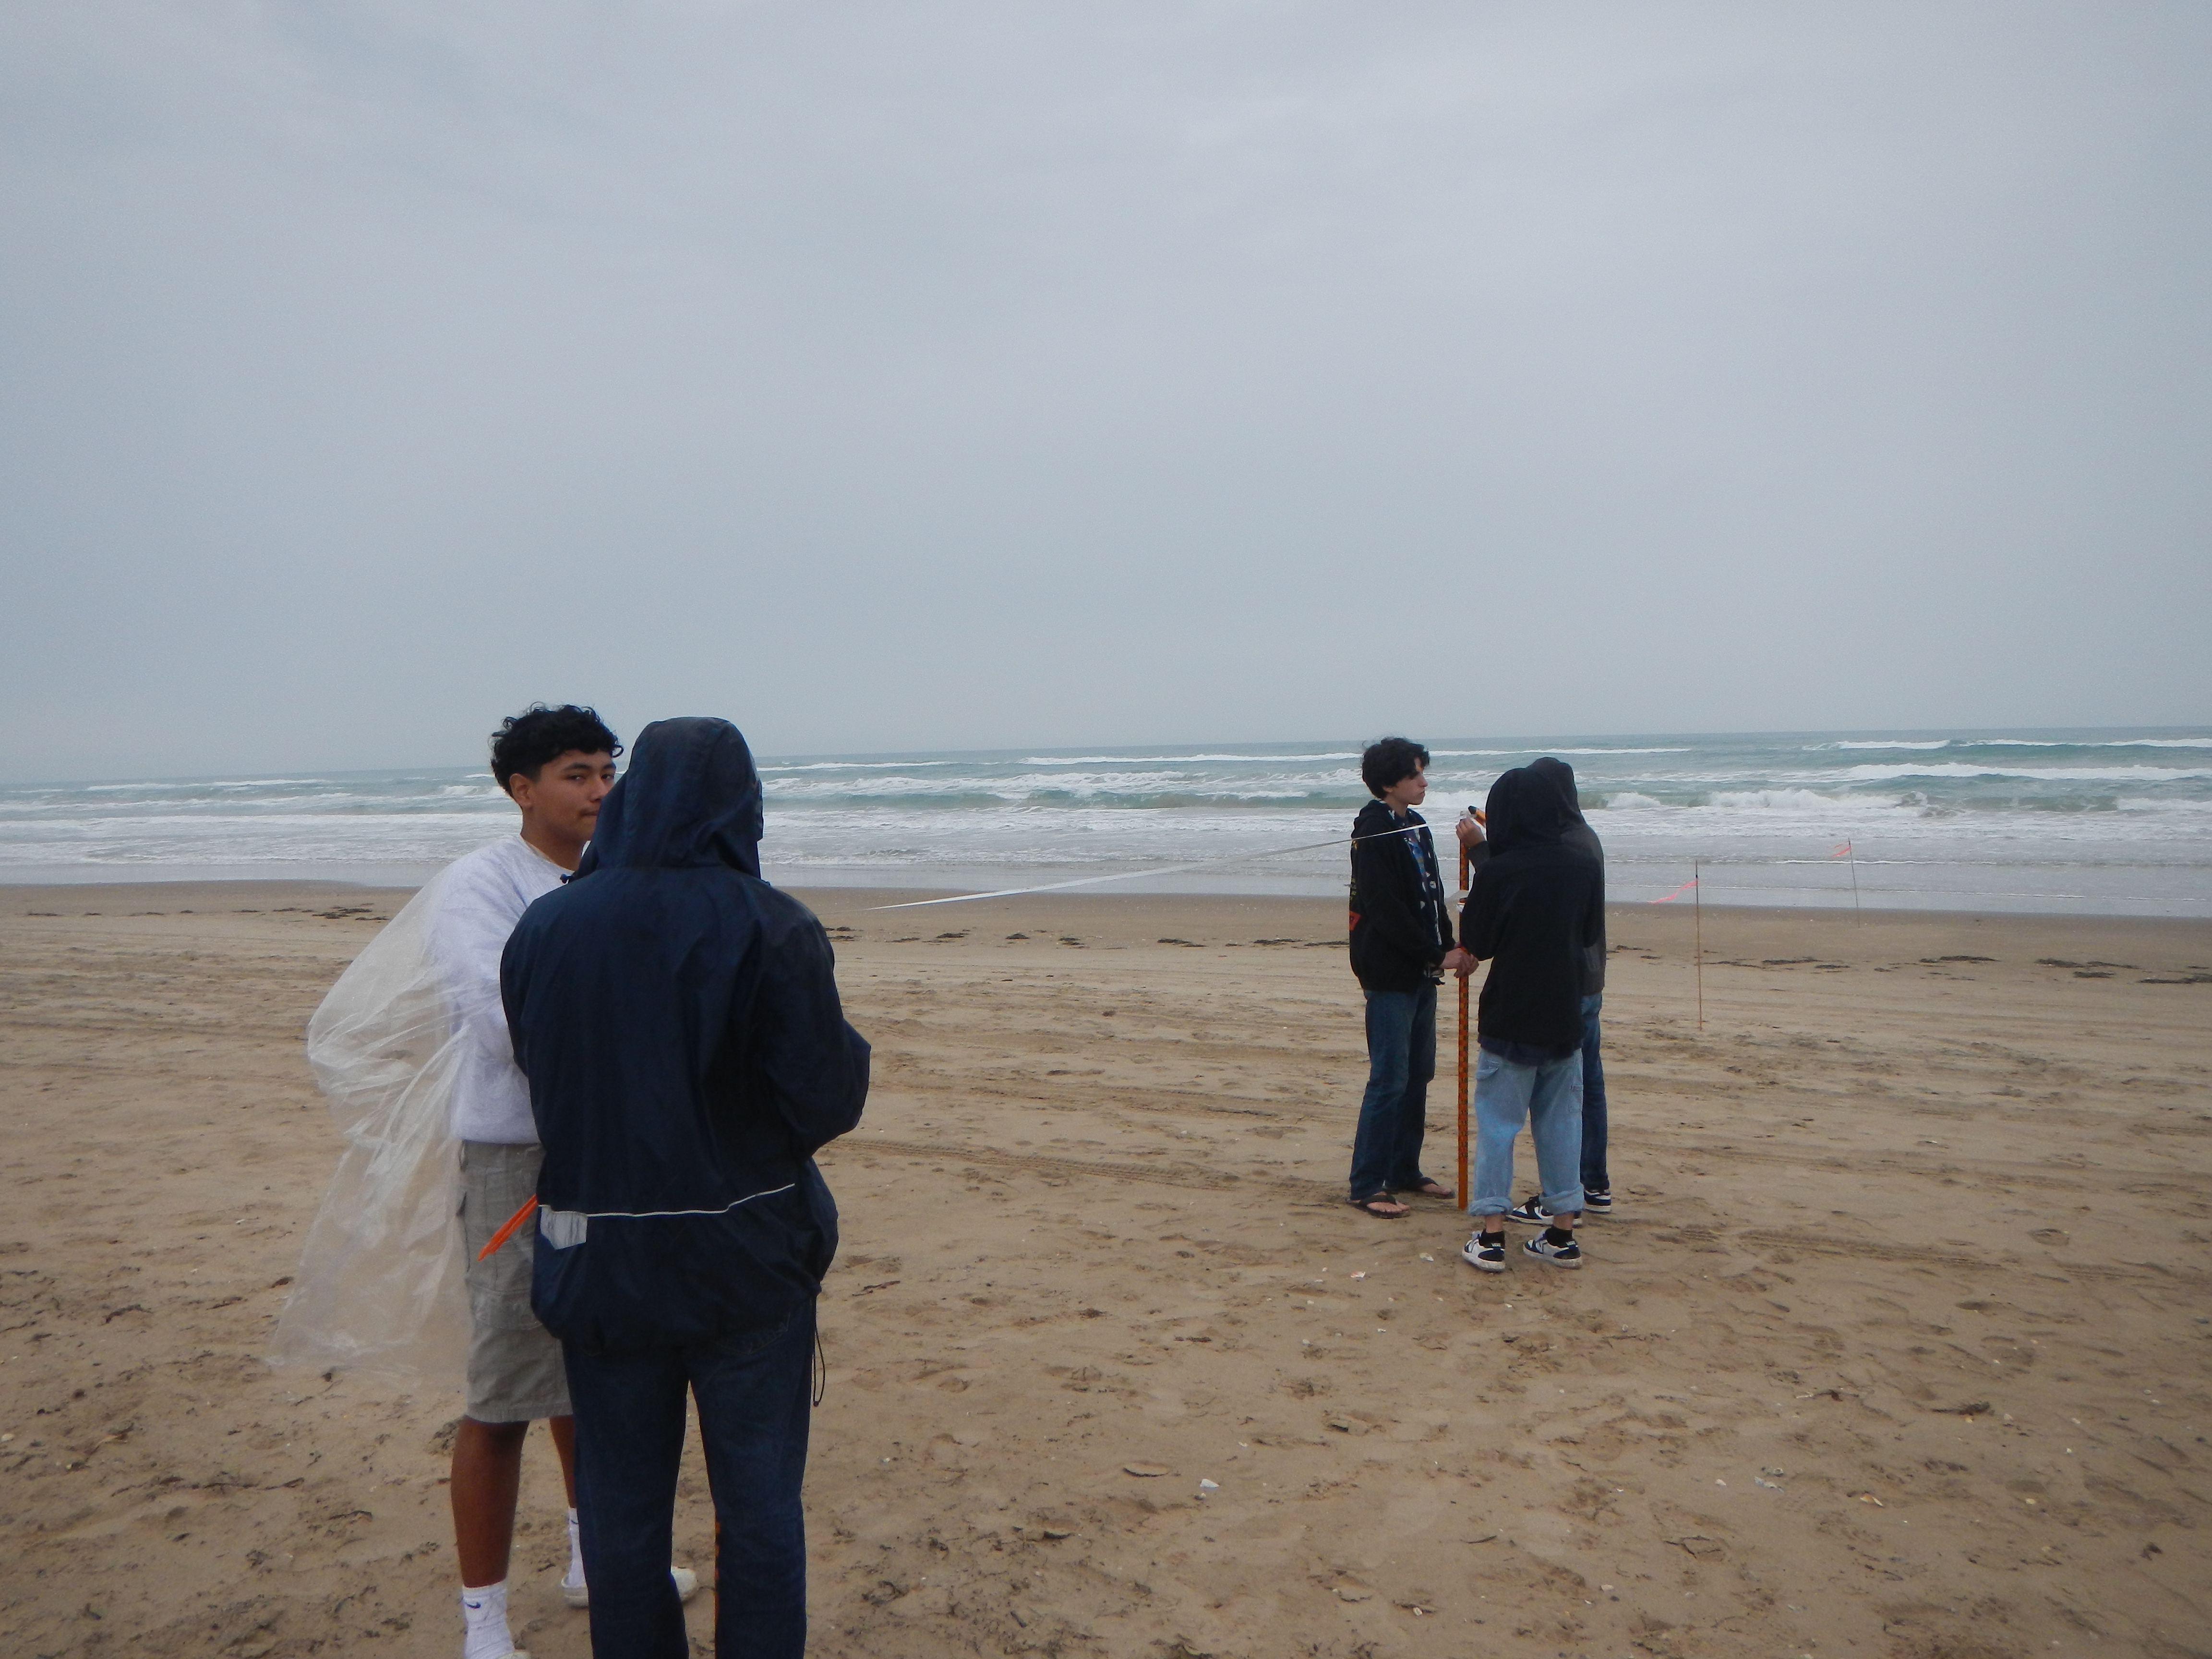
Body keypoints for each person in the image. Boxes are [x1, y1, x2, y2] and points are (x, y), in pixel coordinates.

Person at [501, 717, 870, 1659]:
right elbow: (822, 1097)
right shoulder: (769, 922)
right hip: (742, 1259)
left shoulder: (549, 924)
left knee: (625, 1517)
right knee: (756, 1509)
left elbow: (546, 1071)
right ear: (741, 808)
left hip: (601, 1261)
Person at [438, 708, 702, 1659]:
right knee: (505, 1387)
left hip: (609, 1155)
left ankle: (597, 1561)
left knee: (595, 1368)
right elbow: (503, 1021)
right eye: (575, 775)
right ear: (522, 789)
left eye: (605, 773)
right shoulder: (484, 883)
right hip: (520, 1157)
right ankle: (485, 1619)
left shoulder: (624, 879)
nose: (597, 792)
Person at [1454, 764, 1603, 1270]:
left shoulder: (1498, 870)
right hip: (1563, 1011)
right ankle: (1562, 1232)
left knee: (1499, 1123)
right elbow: (1587, 933)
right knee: (1561, 1123)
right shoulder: (1580, 864)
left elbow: (1481, 941)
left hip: (1511, 1014)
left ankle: (1492, 1233)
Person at [1345, 737, 1472, 1218]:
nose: (1423, 781)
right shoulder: (1373, 828)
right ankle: (1367, 1183)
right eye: (1415, 774)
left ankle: (1404, 1168)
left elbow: (1431, 895)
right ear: (1389, 782)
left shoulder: (1415, 826)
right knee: (1390, 1077)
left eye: (1423, 772)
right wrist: (1432, 954)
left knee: (1419, 1073)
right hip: (1388, 968)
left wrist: (1450, 947)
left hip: (1421, 967)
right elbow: (1385, 908)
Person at [1487, 757, 1612, 1224]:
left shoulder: (1565, 845)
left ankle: (1571, 1190)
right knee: (1586, 1084)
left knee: (1560, 1097)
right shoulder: (1585, 838)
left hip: (1567, 981)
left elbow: (1518, 891)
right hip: (1589, 977)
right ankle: (1592, 1181)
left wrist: (1485, 852)